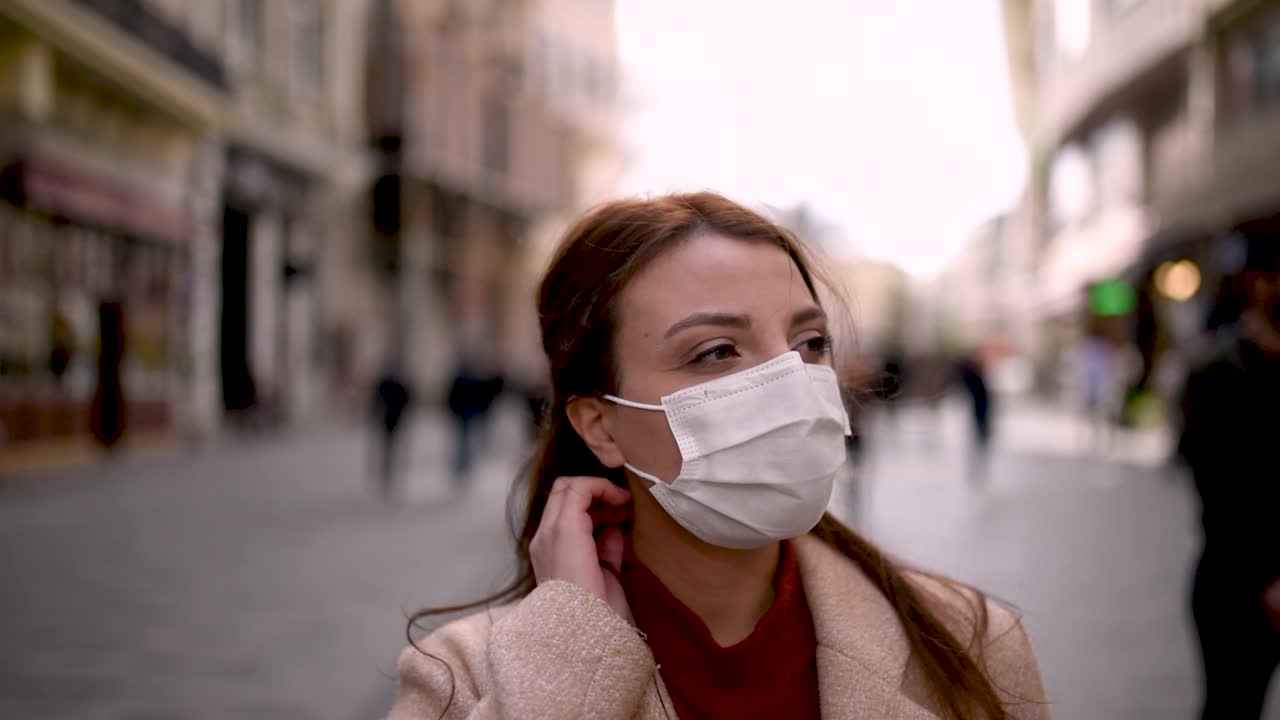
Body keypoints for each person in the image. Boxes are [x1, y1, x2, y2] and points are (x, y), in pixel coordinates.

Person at [389, 193, 1050, 720]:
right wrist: (567, 660)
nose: (791, 382)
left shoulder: (969, 643)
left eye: (810, 342)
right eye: (716, 351)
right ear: (601, 425)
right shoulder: (460, 682)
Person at [1177, 230, 1280, 720]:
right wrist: (1268, 580)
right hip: (1237, 586)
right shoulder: (1216, 372)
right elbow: (1219, 494)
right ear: (1258, 284)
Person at [372, 362, 412, 498]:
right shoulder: (393, 384)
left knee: (390, 447)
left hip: (392, 419)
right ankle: (388, 471)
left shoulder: (388, 384)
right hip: (392, 419)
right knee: (390, 447)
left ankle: (389, 471)